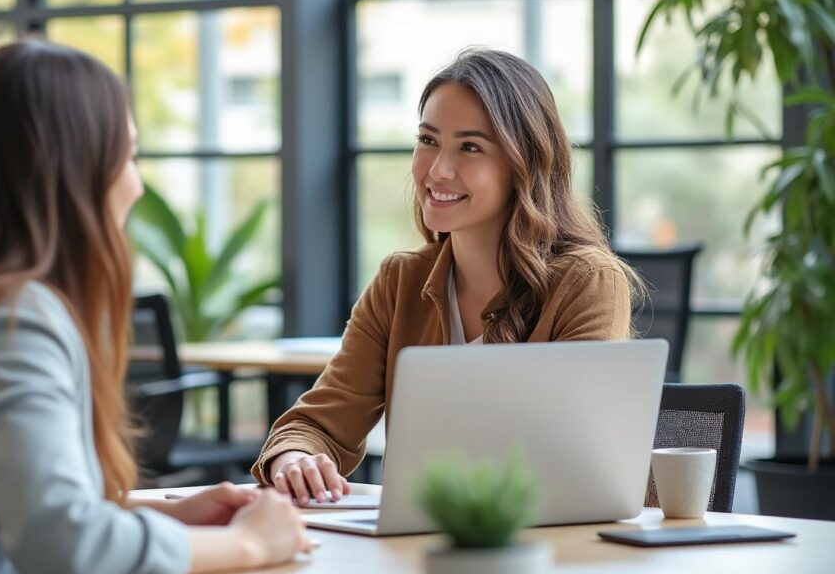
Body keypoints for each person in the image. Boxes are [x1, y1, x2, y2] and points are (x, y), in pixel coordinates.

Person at [0, 40, 309, 574]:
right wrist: (249, 545)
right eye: (127, 157)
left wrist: (168, 516)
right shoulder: (9, 321)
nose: (137, 183)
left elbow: (11, 511)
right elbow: (67, 549)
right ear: (73, 172)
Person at [251, 48, 644, 505]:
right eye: (428, 140)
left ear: (524, 164)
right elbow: (317, 424)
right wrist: (296, 458)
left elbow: (578, 459)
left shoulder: (587, 282)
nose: (437, 169)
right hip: (421, 550)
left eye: (470, 147)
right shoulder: (400, 281)